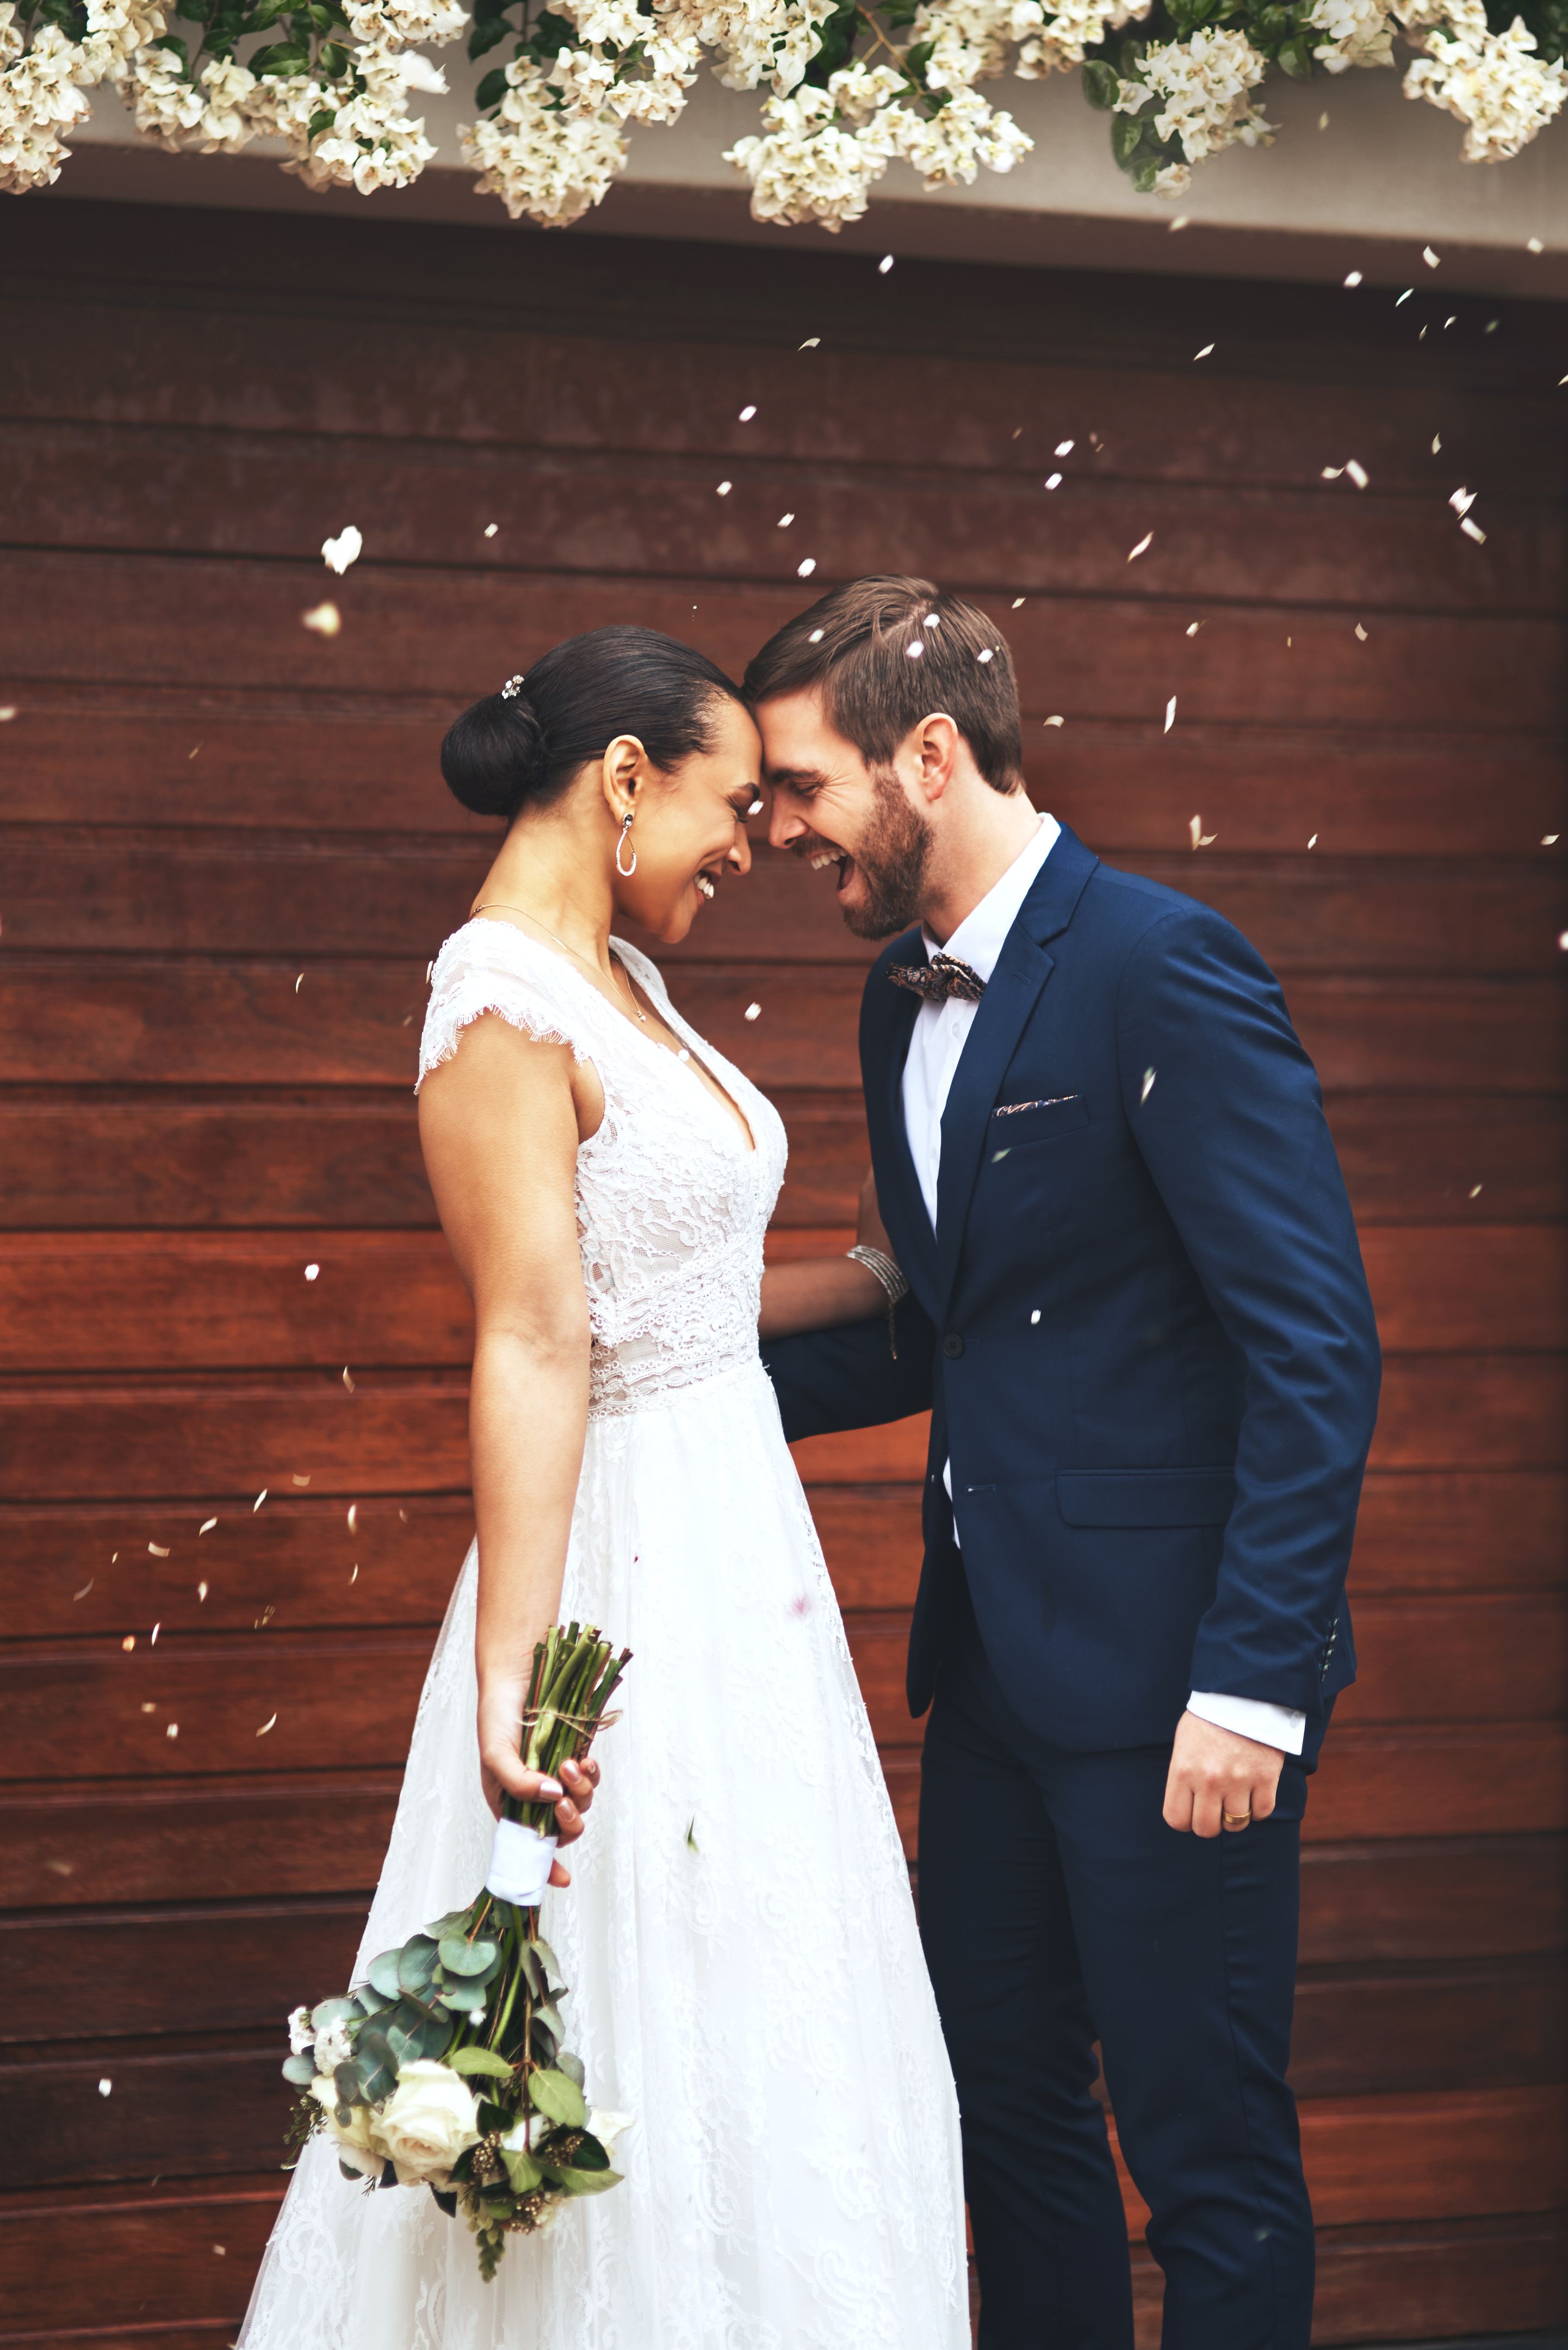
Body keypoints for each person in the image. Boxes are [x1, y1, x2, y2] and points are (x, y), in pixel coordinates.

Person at [235, 626, 969, 2350]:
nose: (750, 843)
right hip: (624, 1566)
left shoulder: (619, 979)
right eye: (728, 803)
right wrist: (517, 1661)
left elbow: (678, 1288)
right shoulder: (497, 1003)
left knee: (758, 1996)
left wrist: (917, 1277)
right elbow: (536, 1339)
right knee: (618, 1986)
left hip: (739, 1558)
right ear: (623, 778)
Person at [751, 577, 1383, 2350]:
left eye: (803, 785)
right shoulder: (898, 1001)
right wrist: (667, 1363)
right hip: (992, 1685)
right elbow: (957, 1327)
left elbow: (1312, 1348)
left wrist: (1250, 1686)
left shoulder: (1160, 963)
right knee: (1005, 2117)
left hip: (1180, 1689)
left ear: (927, 754)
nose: (781, 826)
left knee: (1205, 2157)